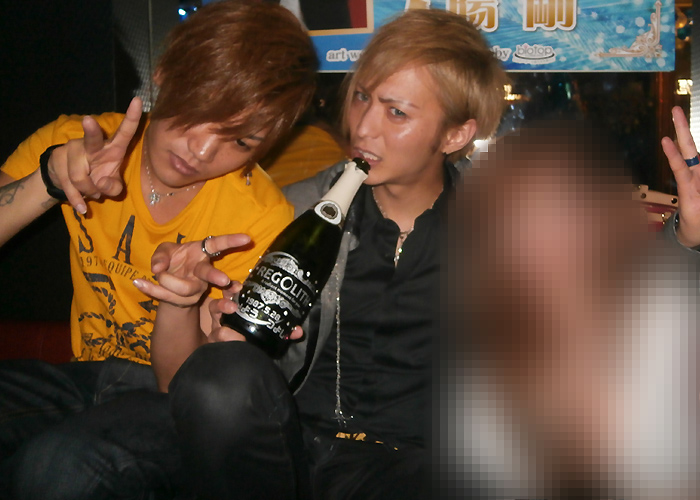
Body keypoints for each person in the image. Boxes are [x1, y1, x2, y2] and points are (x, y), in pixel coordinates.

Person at [137, 9, 508, 499]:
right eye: (362, 97)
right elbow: (197, 381)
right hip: (289, 448)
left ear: (455, 135)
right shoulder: (292, 212)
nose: (363, 128)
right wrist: (211, 328)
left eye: (396, 113)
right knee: (217, 379)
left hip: (419, 468)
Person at [0, 1, 317, 497]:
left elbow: (187, 392)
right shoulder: (80, 141)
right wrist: (48, 181)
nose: (203, 151)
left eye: (241, 141)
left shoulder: (258, 220)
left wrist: (181, 303)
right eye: (203, 110)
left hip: (163, 398)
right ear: (166, 74)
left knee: (60, 466)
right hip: (79, 376)